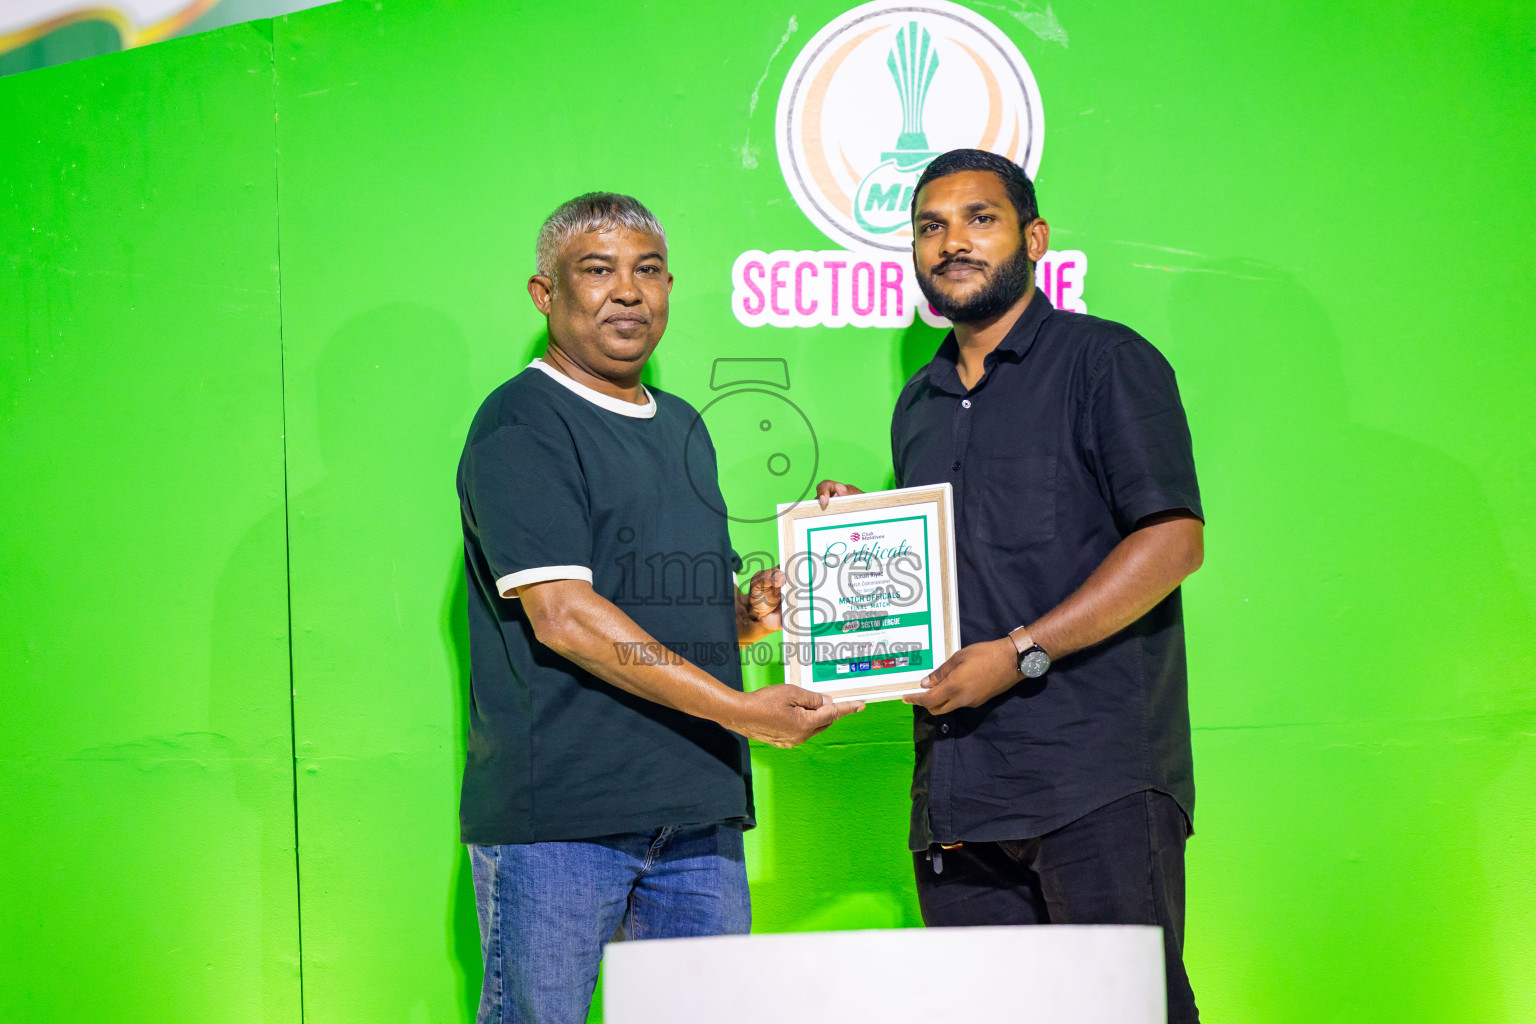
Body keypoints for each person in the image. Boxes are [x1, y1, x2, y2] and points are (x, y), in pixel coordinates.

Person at [816, 150, 1205, 1022]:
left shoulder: (1105, 361)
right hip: (958, 791)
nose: (952, 242)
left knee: (1132, 1013)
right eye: (930, 226)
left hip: (1093, 781)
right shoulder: (918, 403)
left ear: (1033, 238)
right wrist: (860, 537)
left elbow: (1173, 541)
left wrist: (1022, 652)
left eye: (979, 219)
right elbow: (963, 563)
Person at [457, 191, 862, 1024]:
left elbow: (686, 619)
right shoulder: (522, 421)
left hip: (699, 815)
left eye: (647, 270)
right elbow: (565, 616)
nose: (627, 291)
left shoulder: (681, 425)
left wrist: (762, 607)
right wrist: (739, 710)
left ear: (670, 287)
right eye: (597, 270)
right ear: (545, 294)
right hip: (564, 824)